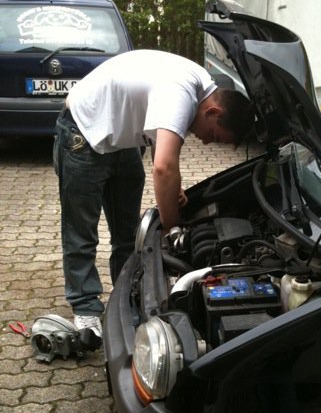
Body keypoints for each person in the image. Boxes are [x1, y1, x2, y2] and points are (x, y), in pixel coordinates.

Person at [53, 49, 254, 339]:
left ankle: (125, 300)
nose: (207, 143)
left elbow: (167, 152)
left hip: (120, 140)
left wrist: (174, 187)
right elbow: (163, 168)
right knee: (81, 233)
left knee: (128, 234)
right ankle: (85, 308)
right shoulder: (182, 93)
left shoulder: (200, 89)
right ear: (213, 112)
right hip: (83, 132)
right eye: (213, 136)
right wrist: (173, 230)